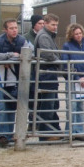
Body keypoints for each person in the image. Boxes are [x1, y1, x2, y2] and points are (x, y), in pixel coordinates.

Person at [0, 18, 32, 147]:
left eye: (16, 28)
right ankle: (2, 136)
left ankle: (10, 135)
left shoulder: (22, 40)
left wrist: (15, 57)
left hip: (17, 80)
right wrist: (9, 55)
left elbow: (29, 53)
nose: (14, 30)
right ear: (5, 30)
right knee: (2, 106)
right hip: (1, 80)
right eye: (11, 28)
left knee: (13, 107)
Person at [62, 23, 84, 141]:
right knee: (71, 106)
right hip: (73, 81)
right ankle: (70, 132)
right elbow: (65, 65)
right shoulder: (67, 47)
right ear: (71, 35)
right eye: (76, 34)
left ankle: (80, 131)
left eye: (80, 33)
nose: (78, 35)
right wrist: (78, 78)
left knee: (81, 107)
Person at [34, 13, 62, 141]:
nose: (55, 27)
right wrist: (60, 62)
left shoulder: (48, 35)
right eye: (52, 25)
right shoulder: (44, 36)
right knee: (48, 104)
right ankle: (45, 134)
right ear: (45, 24)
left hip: (49, 73)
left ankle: (53, 130)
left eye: (56, 25)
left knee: (52, 103)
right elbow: (48, 54)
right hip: (46, 74)